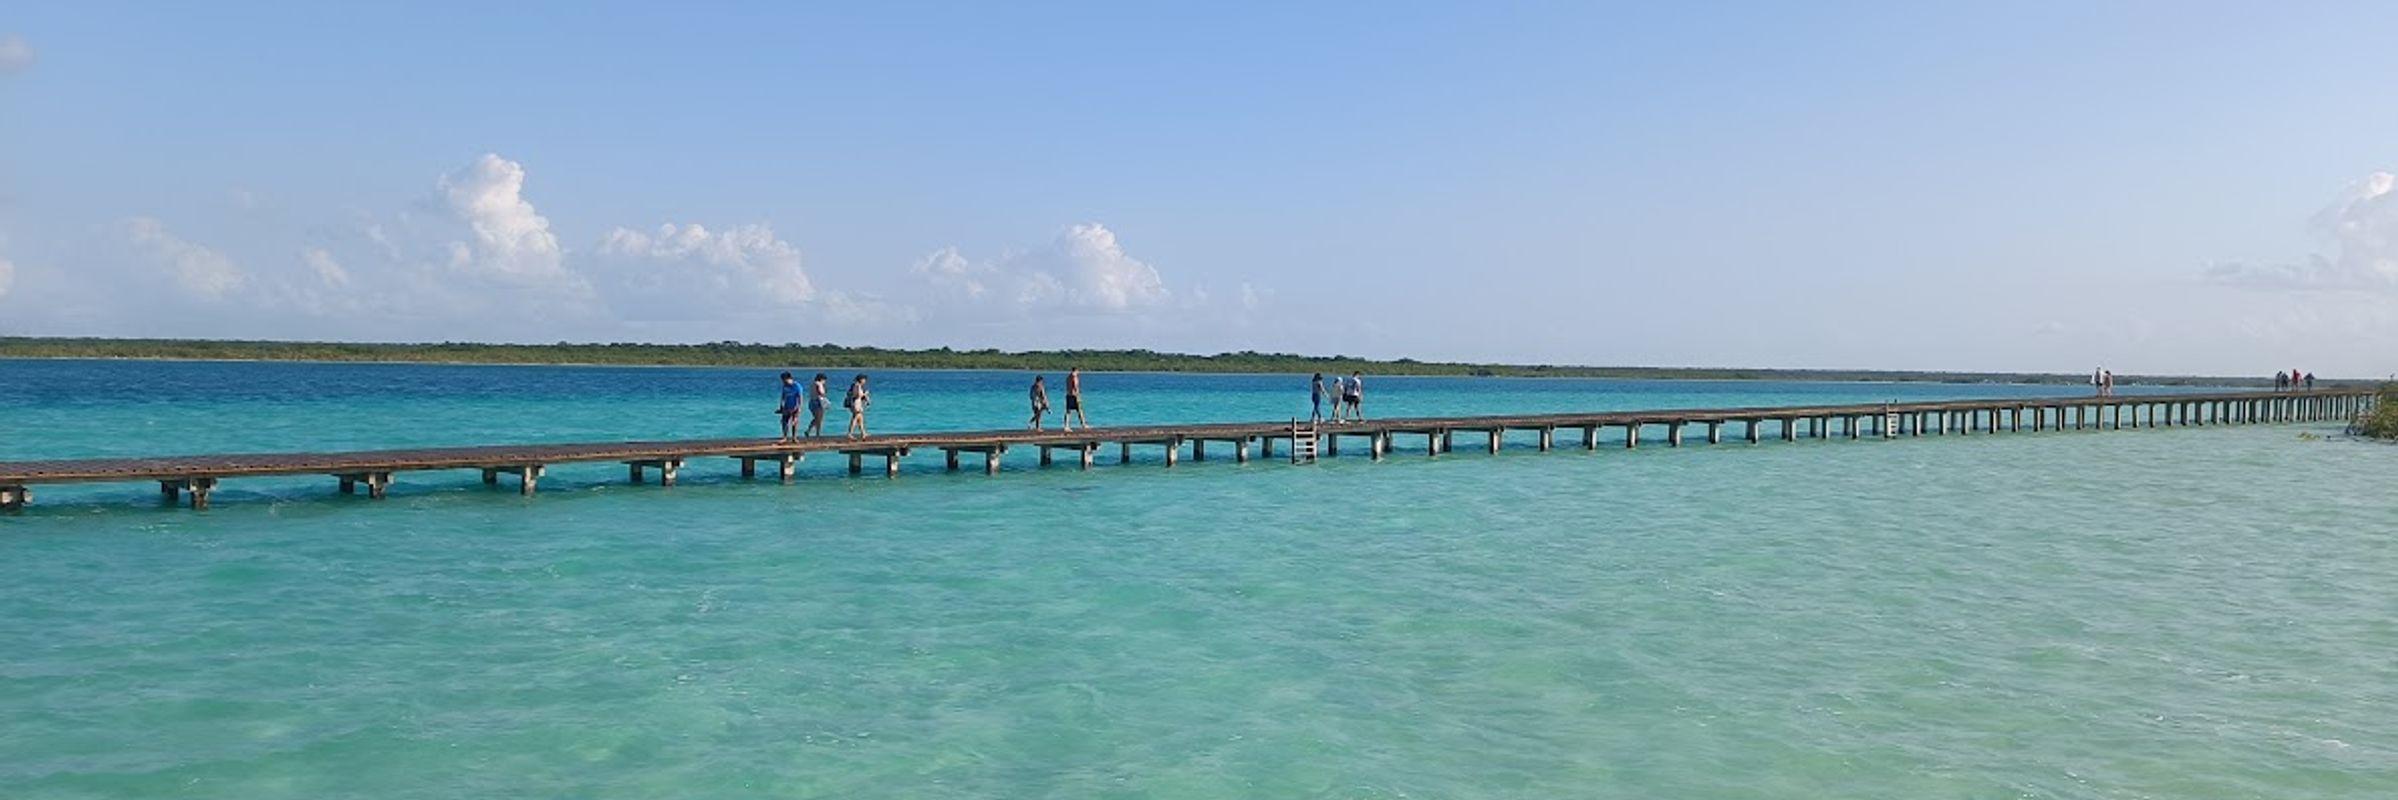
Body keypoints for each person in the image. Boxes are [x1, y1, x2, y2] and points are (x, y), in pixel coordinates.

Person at [776, 372, 803, 443]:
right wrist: (781, 406)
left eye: (783, 380)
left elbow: (800, 397)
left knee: (794, 422)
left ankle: (794, 438)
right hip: (787, 407)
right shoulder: (785, 386)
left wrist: (799, 408)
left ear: (788, 378)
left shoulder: (797, 386)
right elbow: (783, 396)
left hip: (795, 406)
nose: (783, 382)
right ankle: (785, 437)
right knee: (784, 422)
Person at [844, 374, 871, 439]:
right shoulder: (857, 385)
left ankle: (863, 433)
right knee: (855, 417)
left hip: (858, 403)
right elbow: (857, 395)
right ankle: (850, 433)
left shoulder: (858, 385)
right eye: (864, 379)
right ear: (861, 379)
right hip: (856, 403)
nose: (865, 381)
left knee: (860, 418)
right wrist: (865, 394)